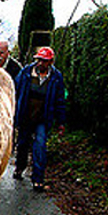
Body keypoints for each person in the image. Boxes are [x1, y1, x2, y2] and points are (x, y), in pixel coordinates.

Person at [13, 46, 66, 191]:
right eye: (39, 60)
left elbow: (60, 100)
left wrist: (61, 122)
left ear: (50, 62)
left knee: (40, 146)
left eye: (44, 61)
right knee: (22, 144)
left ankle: (38, 179)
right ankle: (19, 167)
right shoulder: (25, 73)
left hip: (43, 117)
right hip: (26, 115)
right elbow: (16, 92)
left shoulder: (56, 77)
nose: (41, 63)